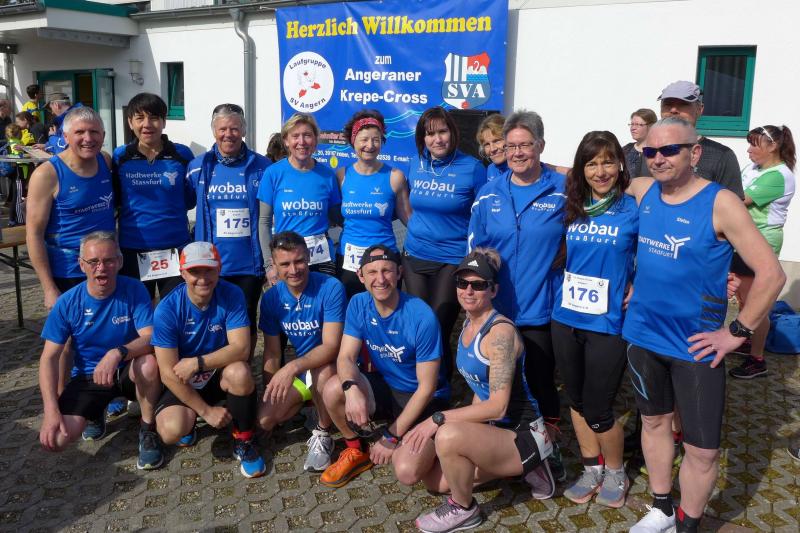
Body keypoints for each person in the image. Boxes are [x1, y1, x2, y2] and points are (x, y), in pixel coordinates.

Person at [624, 117, 785, 533]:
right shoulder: (641, 190)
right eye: (650, 151)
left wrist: (737, 332)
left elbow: (771, 274)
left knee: (703, 450)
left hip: (696, 346)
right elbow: (588, 179)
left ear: (694, 152)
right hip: (642, 335)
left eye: (669, 150)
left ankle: (688, 523)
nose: (658, 158)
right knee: (654, 424)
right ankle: (661, 507)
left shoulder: (721, 202)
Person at [409, 249, 555, 533]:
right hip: (497, 433)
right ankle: (514, 468)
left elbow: (498, 406)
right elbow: (480, 388)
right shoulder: (468, 324)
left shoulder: (500, 334)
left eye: (478, 285)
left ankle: (465, 509)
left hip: (525, 436)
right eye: (462, 283)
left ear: (493, 290)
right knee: (435, 481)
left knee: (447, 435)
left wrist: (438, 419)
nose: (468, 291)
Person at [468, 109, 568, 481]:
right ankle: (504, 449)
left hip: (542, 307)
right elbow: (475, 251)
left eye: (525, 145)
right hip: (498, 313)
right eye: (511, 146)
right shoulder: (488, 193)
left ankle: (548, 451)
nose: (517, 152)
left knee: (541, 383)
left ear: (540, 145)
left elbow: (586, 235)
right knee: (499, 384)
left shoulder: (563, 189)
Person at [551, 131, 638, 508]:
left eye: (607, 162)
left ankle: (616, 471)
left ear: (620, 165)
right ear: (581, 168)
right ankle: (592, 468)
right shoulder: (572, 206)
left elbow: (655, 253)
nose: (600, 171)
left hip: (607, 323)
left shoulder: (633, 207)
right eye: (591, 163)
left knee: (599, 408)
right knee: (575, 398)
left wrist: (639, 283)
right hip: (566, 317)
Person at [319, 245, 450, 489]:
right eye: (372, 272)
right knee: (333, 388)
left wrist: (390, 436)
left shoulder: (421, 316)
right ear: (361, 276)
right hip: (388, 387)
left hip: (423, 399)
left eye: (387, 271)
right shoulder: (358, 303)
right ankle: (356, 450)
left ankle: (444, 445)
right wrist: (351, 389)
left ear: (399, 273)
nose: (380, 279)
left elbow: (427, 388)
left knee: (407, 472)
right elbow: (345, 357)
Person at [38, 231, 164, 470]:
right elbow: (48, 359)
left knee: (149, 363)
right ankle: (95, 412)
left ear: (120, 261)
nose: (101, 268)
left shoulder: (134, 289)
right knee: (56, 439)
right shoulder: (67, 302)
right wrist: (51, 410)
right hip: (89, 377)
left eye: (108, 261)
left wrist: (118, 352)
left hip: (126, 370)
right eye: (93, 262)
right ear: (81, 264)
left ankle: (148, 430)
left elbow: (151, 338)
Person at [152, 241, 266, 478]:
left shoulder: (232, 294)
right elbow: (167, 373)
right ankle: (191, 419)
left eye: (209, 270)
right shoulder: (167, 309)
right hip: (184, 379)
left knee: (240, 372)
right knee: (170, 431)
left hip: (217, 372)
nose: (202, 278)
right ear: (183, 273)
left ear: (219, 270)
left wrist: (197, 362)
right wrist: (206, 412)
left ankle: (244, 439)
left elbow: (242, 349)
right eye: (195, 271)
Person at [402, 106, 486, 376]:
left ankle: (441, 387)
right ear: (422, 138)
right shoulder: (415, 164)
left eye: (442, 131)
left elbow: (483, 215)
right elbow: (409, 205)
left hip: (451, 258)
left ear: (453, 132)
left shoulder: (472, 168)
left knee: (438, 324)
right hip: (415, 255)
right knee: (419, 325)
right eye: (430, 134)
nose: (437, 139)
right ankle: (417, 383)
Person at [257, 231, 346, 471]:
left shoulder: (331, 287)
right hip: (305, 372)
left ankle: (323, 432)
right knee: (265, 419)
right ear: (274, 265)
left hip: (336, 367)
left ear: (308, 257)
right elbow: (272, 352)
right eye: (285, 264)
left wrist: (291, 368)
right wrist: (271, 389)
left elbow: (331, 347)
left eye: (299, 261)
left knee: (322, 372)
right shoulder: (272, 298)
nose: (294, 270)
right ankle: (312, 405)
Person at [187, 103, 270, 353]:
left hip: (248, 263)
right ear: (214, 131)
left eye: (234, 128)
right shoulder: (197, 166)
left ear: (243, 130)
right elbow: (184, 202)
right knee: (211, 318)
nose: (228, 134)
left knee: (246, 318)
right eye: (222, 129)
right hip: (210, 261)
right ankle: (215, 368)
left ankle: (242, 366)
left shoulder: (263, 166)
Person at [728, 125, 796, 379]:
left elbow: (737, 200)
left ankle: (757, 360)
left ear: (773, 146)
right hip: (743, 239)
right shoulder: (754, 168)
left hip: (761, 242)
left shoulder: (779, 175)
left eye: (754, 145)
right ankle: (749, 341)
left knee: (755, 304)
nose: (748, 150)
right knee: (744, 300)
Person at [114, 93, 196, 301]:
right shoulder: (120, 156)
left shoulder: (182, 155)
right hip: (132, 249)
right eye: (140, 118)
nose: (147, 124)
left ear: (164, 122)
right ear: (130, 122)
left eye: (154, 118)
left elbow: (190, 199)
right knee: (139, 310)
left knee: (175, 308)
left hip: (175, 248)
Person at [336, 110, 411, 298]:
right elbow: (332, 214)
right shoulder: (341, 176)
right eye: (364, 139)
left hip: (384, 261)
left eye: (376, 140)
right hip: (349, 261)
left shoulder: (395, 177)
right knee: (351, 311)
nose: (370, 145)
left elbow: (409, 218)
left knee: (387, 311)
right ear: (353, 141)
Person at [258, 113, 342, 280]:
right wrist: (269, 264)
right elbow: (264, 222)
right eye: (295, 136)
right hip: (287, 261)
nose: (301, 142)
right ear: (286, 141)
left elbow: (339, 218)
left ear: (315, 140)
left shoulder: (327, 175)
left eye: (307, 135)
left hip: (321, 259)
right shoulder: (273, 173)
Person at [639, 81, 743, 198]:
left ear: (699, 109)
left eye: (683, 104)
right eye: (667, 104)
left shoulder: (721, 155)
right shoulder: (649, 150)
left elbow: (732, 204)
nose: (673, 110)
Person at [622, 108, 657, 177]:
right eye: (632, 124)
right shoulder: (626, 150)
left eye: (638, 124)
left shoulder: (658, 151)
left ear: (651, 126)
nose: (633, 128)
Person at [476, 113, 508, 181]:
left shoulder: (522, 169)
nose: (492, 149)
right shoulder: (491, 169)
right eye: (487, 144)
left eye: (497, 141)